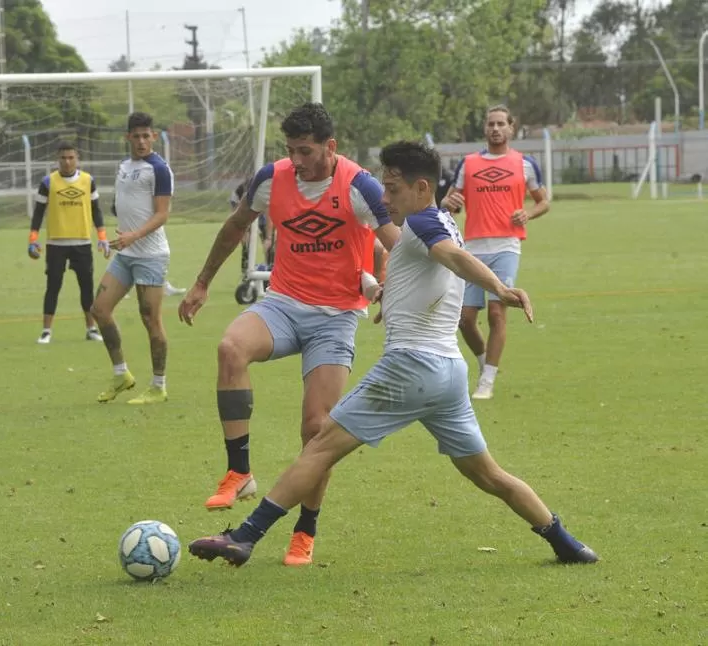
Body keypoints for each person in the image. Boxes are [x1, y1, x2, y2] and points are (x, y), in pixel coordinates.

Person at [187, 140, 598, 568]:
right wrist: (381, 290)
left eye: (392, 188)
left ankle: (245, 537)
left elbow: (453, 258)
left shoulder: (422, 221)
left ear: (422, 187)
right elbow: (429, 271)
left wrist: (499, 288)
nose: (384, 199)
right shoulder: (437, 221)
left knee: (320, 446)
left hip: (410, 367)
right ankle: (567, 543)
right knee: (488, 474)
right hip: (449, 375)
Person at [178, 102, 396, 566]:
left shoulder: (359, 185)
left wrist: (391, 287)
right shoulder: (271, 179)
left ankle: (305, 528)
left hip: (335, 317)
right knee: (230, 348)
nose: (296, 160)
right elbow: (236, 225)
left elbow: (396, 241)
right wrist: (201, 282)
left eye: (305, 151)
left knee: (317, 430)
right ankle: (239, 471)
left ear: (329, 147)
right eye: (290, 150)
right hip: (282, 303)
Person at [441, 105, 550, 400]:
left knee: (496, 311)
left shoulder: (524, 164)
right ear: (484, 128)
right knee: (464, 318)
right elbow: (451, 199)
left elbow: (543, 201)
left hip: (506, 245)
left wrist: (528, 213)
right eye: (491, 123)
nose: (496, 128)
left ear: (512, 128)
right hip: (473, 247)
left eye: (501, 123)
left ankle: (487, 380)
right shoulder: (469, 163)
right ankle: (484, 362)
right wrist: (450, 203)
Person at [90, 111, 174, 405]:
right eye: (135, 136)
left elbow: (163, 214)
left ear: (153, 136)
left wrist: (133, 235)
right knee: (99, 309)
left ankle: (158, 385)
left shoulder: (160, 169)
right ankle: (121, 374)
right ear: (128, 137)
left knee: (150, 319)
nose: (141, 141)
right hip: (126, 252)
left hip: (150, 255)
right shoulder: (124, 166)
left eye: (146, 135)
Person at [28, 142, 110, 344]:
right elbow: (38, 213)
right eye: (63, 158)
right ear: (58, 159)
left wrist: (102, 237)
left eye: (71, 157)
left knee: (86, 288)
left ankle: (91, 328)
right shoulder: (48, 182)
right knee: (53, 286)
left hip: (82, 242)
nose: (67, 161)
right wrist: (32, 240)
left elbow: (96, 210)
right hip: (56, 243)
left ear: (77, 158)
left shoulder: (88, 181)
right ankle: (46, 331)